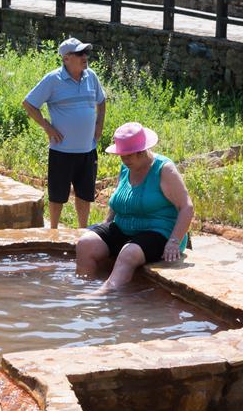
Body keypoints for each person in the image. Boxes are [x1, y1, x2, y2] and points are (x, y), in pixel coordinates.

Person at [75, 123, 194, 294]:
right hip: (125, 229)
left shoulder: (164, 169)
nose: (124, 160)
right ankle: (83, 286)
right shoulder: (126, 167)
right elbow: (118, 201)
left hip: (159, 232)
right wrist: (106, 225)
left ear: (142, 151)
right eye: (121, 155)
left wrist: (174, 241)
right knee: (85, 243)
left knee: (128, 253)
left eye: (128, 155)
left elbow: (186, 207)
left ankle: (104, 294)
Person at [22, 37, 106, 229]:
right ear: (66, 58)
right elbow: (29, 104)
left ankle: (83, 232)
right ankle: (54, 232)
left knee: (85, 194)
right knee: (57, 195)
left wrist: (99, 124)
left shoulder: (91, 76)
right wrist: (47, 127)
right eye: (79, 53)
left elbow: (101, 101)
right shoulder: (53, 79)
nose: (85, 57)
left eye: (86, 53)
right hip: (61, 151)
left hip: (87, 150)